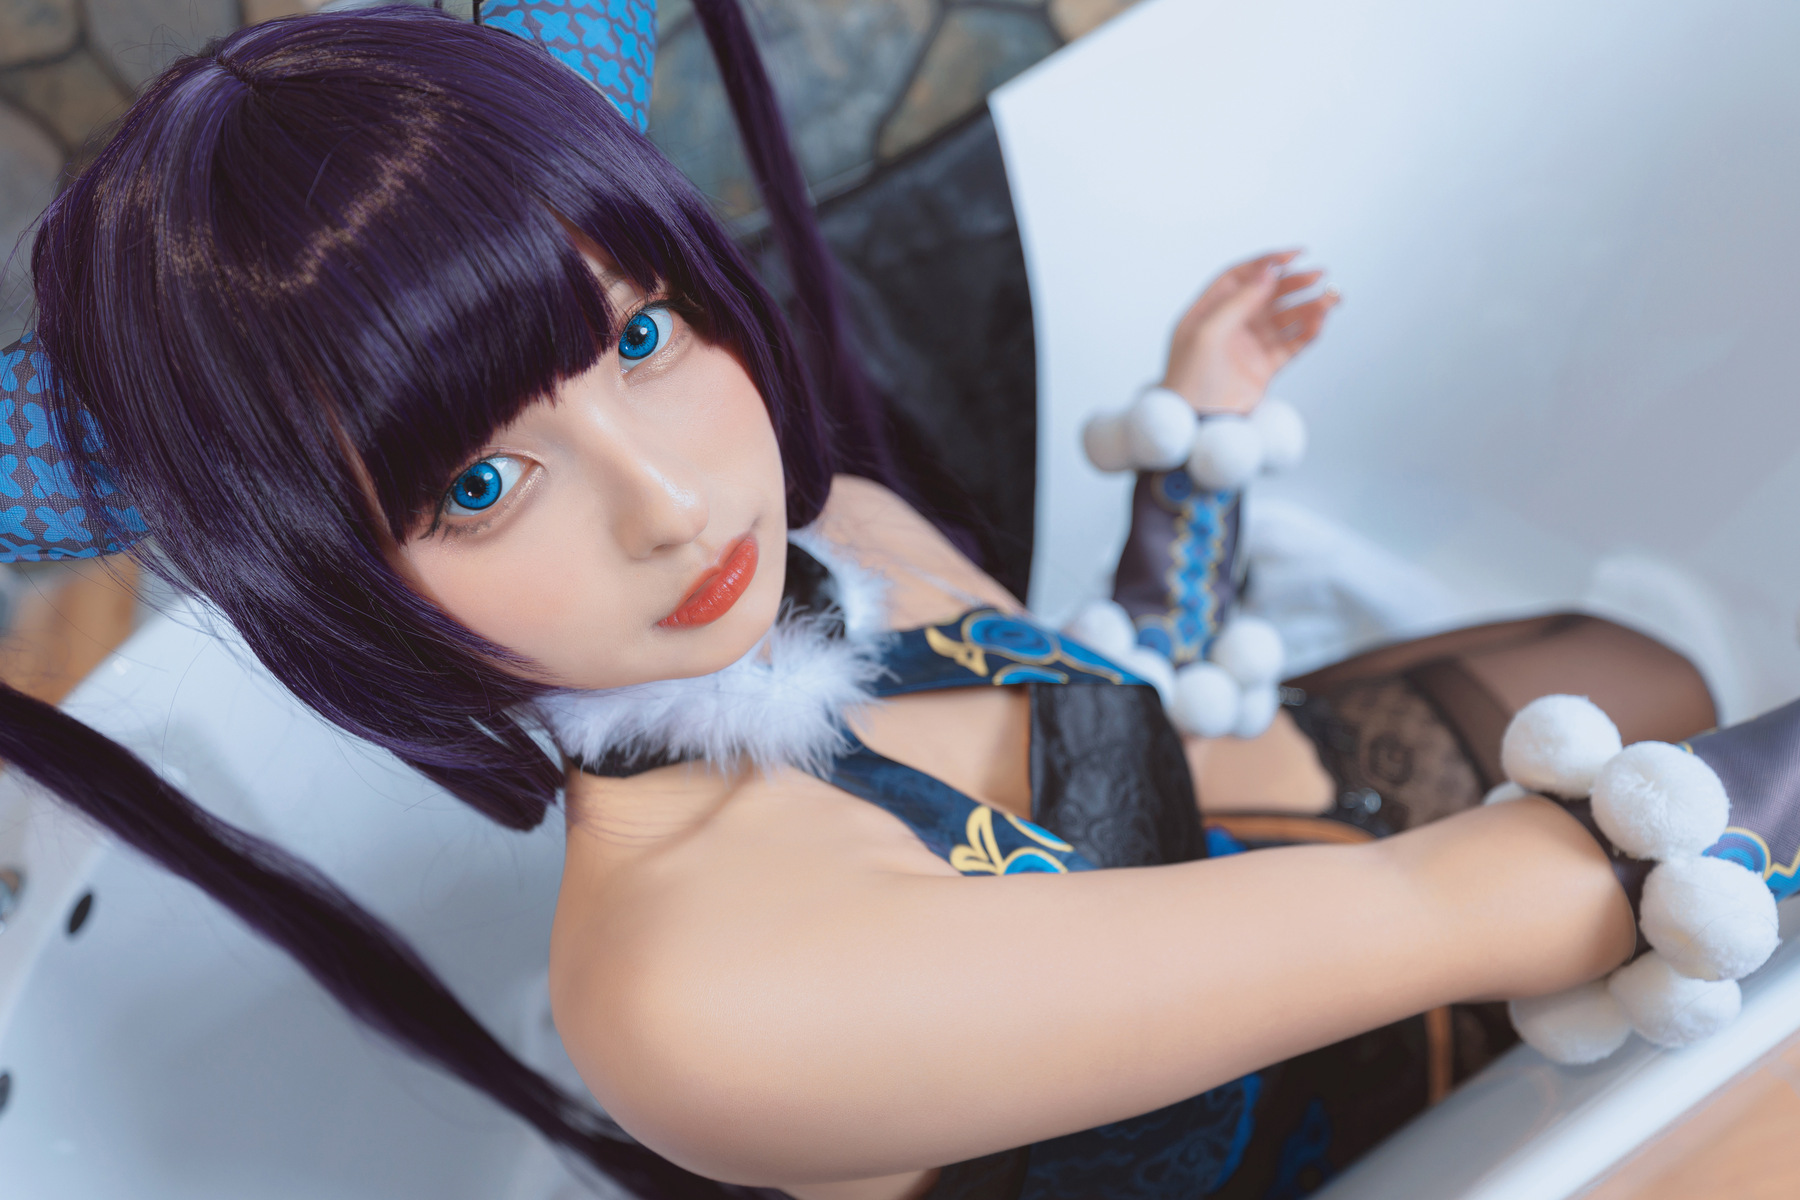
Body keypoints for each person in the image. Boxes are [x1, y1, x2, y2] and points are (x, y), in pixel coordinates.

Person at [0, 5, 1781, 1199]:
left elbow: (1123, 696)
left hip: (1309, 836)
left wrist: (1196, 450)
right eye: (479, 485)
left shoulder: (837, 532)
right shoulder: (697, 996)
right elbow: (1523, 899)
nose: (673, 500)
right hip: (1370, 1084)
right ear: (336, 598)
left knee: (1647, 663)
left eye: (641, 337)